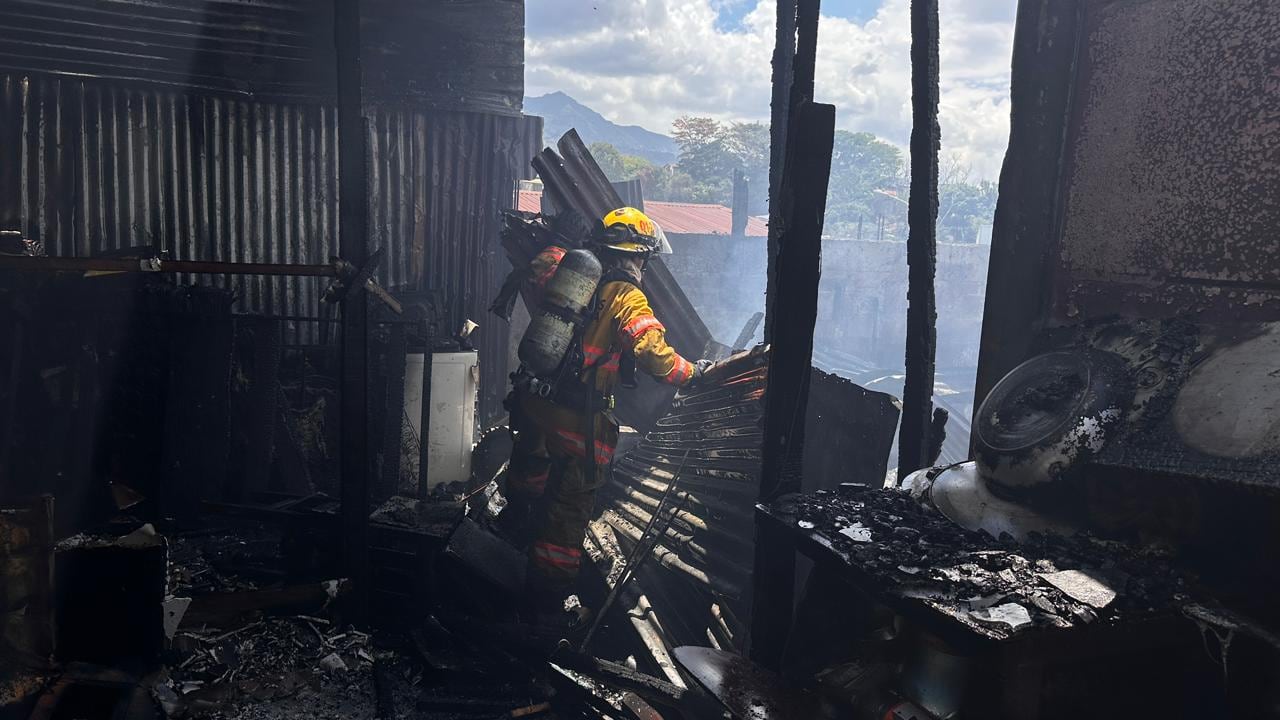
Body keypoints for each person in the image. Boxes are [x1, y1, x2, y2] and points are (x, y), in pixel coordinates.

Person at [502, 206, 710, 625]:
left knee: (534, 466)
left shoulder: (570, 274)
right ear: (638, 256)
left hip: (534, 401)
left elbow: (539, 265)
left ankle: (514, 525)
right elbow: (653, 355)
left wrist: (561, 240)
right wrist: (692, 374)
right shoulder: (626, 296)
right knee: (571, 505)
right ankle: (543, 601)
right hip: (575, 418)